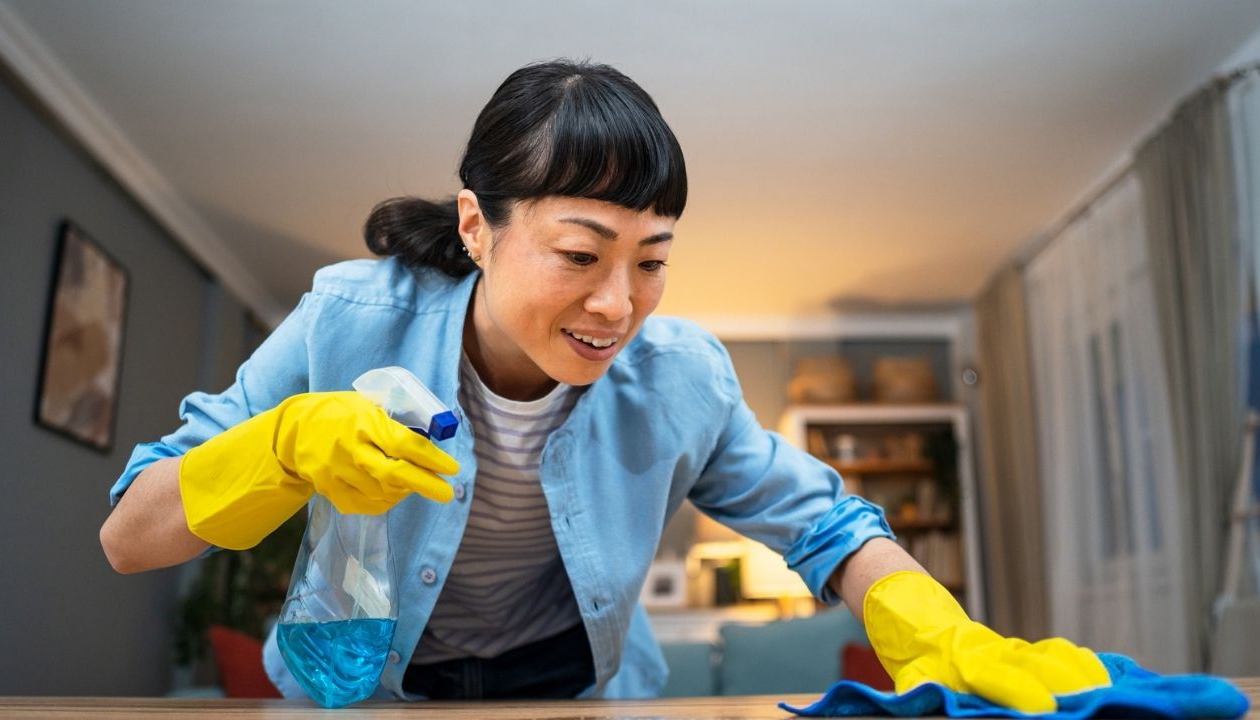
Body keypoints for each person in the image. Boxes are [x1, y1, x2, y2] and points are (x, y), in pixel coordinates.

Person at [99, 60, 1108, 710]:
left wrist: (935, 626)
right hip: (364, 695)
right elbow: (130, 535)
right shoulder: (350, 318)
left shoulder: (681, 381)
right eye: (579, 253)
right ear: (474, 226)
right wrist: (276, 450)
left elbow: (828, 526)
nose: (618, 305)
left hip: (578, 695)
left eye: (651, 258)